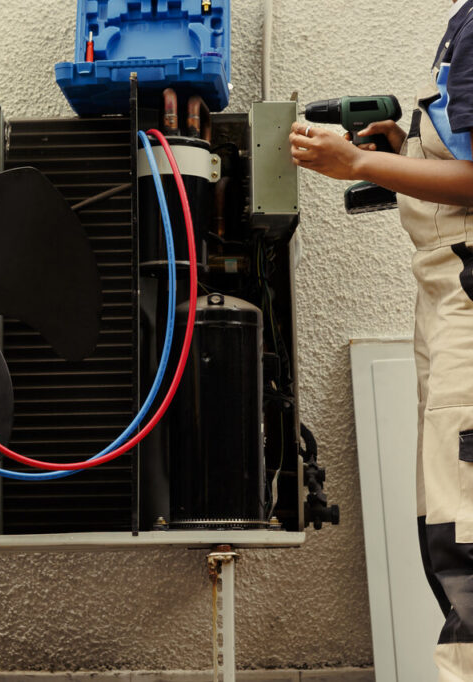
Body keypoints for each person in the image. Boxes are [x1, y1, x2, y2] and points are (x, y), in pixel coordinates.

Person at [289, 1, 473, 678]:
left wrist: (358, 166)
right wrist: (407, 148)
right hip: (449, 293)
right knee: (446, 522)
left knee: (467, 535)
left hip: (470, 299)